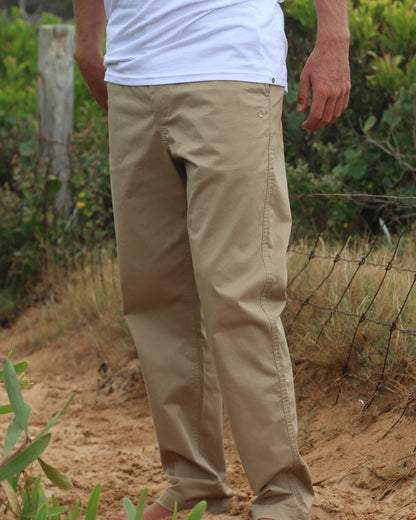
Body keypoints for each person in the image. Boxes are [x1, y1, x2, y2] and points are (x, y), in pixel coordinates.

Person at [73, 1, 350, 519]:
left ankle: (282, 497)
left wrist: (334, 38)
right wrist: (88, 40)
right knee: (156, 297)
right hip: (131, 72)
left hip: (228, 64)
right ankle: (193, 486)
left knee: (238, 292)